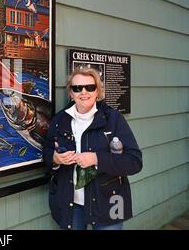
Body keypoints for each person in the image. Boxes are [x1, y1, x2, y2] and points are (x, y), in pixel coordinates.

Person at [42, 67, 142, 230]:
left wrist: (96, 159)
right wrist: (54, 158)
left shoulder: (114, 119)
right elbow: (47, 150)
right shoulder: (60, 120)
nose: (83, 92)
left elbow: (134, 162)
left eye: (90, 87)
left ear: (97, 91)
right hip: (71, 203)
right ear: (71, 93)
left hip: (108, 201)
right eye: (77, 88)